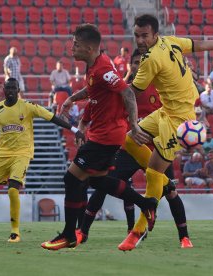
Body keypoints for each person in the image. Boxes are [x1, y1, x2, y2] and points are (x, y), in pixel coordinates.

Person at [117, 13, 213, 251]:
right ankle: (165, 186)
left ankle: (138, 230)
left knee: (152, 173)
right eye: (137, 35)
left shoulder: (150, 59)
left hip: (179, 121)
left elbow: (131, 93)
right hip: (166, 111)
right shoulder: (170, 41)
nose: (139, 40)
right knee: (128, 141)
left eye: (144, 35)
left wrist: (117, 106)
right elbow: (199, 44)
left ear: (155, 34)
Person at [40, 24, 158, 251]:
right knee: (96, 180)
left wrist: (133, 125)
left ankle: (69, 235)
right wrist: (72, 99)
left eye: (75, 44)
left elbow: (126, 93)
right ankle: (147, 203)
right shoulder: (95, 67)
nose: (71, 47)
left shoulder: (103, 68)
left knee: (72, 179)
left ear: (89, 47)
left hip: (105, 135)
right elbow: (93, 90)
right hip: (105, 134)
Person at [76, 49, 193, 249]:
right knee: (104, 184)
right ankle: (82, 231)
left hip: (157, 150)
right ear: (131, 66)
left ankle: (184, 237)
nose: (139, 65)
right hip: (131, 149)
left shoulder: (161, 89)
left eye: (142, 62)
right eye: (135, 62)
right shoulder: (127, 90)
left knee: (171, 192)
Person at [0, 78, 85, 243]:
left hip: (22, 153)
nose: (10, 91)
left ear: (18, 90)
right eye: (7, 88)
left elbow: (52, 117)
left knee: (12, 190)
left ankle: (15, 231)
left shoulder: (28, 106)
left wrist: (75, 130)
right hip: (2, 154)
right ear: (3, 90)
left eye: (13, 88)